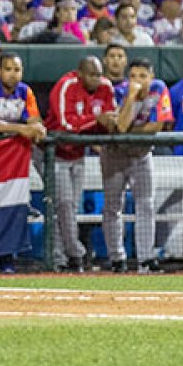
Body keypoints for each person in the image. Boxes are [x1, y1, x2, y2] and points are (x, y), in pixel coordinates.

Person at [0, 53, 46, 273]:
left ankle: (6, 260)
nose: (13, 74)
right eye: (8, 69)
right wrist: (22, 129)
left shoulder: (25, 91)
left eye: (17, 70)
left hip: (11, 160)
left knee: (9, 206)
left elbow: (34, 121)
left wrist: (36, 128)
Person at [45, 57, 119, 273]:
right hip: (54, 152)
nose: (96, 79)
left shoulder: (106, 87)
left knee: (69, 207)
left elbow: (111, 120)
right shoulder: (66, 85)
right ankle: (76, 254)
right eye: (91, 75)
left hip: (78, 154)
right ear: (80, 73)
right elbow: (66, 124)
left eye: (98, 74)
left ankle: (59, 258)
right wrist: (97, 121)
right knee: (64, 204)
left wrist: (103, 123)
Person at [105, 58, 173, 273]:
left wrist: (129, 133)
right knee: (113, 207)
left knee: (146, 205)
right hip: (114, 155)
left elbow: (157, 125)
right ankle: (117, 259)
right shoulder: (119, 91)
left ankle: (146, 258)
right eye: (133, 76)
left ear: (151, 77)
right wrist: (131, 97)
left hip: (142, 154)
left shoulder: (159, 88)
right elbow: (121, 126)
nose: (138, 80)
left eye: (143, 76)